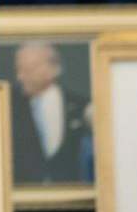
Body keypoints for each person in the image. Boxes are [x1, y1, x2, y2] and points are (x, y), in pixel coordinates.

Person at [8, 42, 90, 184]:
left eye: (28, 70)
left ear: (55, 69)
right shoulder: (8, 105)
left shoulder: (80, 105)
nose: (20, 77)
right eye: (18, 69)